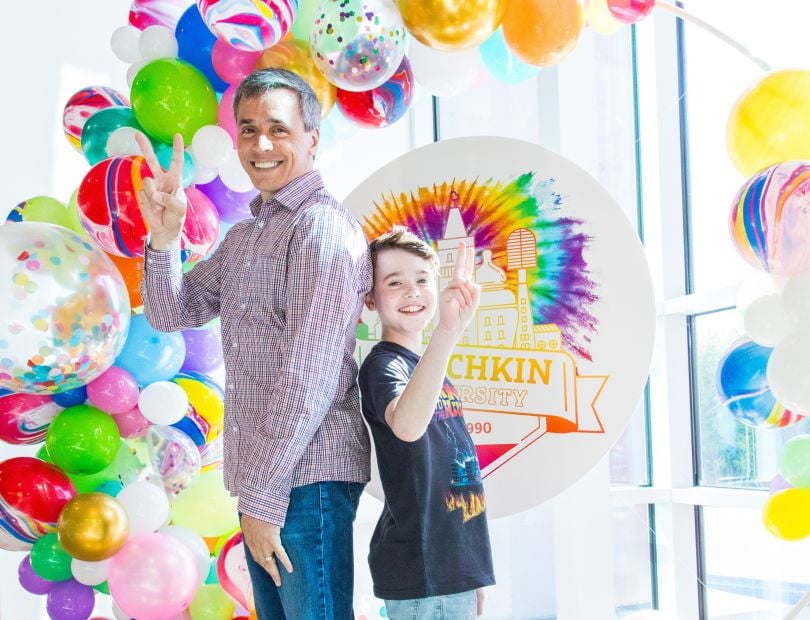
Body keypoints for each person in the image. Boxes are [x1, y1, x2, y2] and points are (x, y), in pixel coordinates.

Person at [137, 68, 372, 620]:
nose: (260, 145)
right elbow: (174, 310)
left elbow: (308, 377)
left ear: (313, 138)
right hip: (269, 484)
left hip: (308, 481)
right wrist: (164, 238)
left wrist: (264, 500)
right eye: (247, 130)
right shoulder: (247, 235)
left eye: (277, 129)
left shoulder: (322, 229)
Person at [358, 227, 495, 620]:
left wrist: (471, 572)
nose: (412, 291)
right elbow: (407, 426)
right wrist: (448, 333)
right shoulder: (384, 366)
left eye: (421, 280)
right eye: (394, 282)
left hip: (453, 572)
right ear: (370, 298)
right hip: (423, 573)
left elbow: (455, 475)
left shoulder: (430, 372)